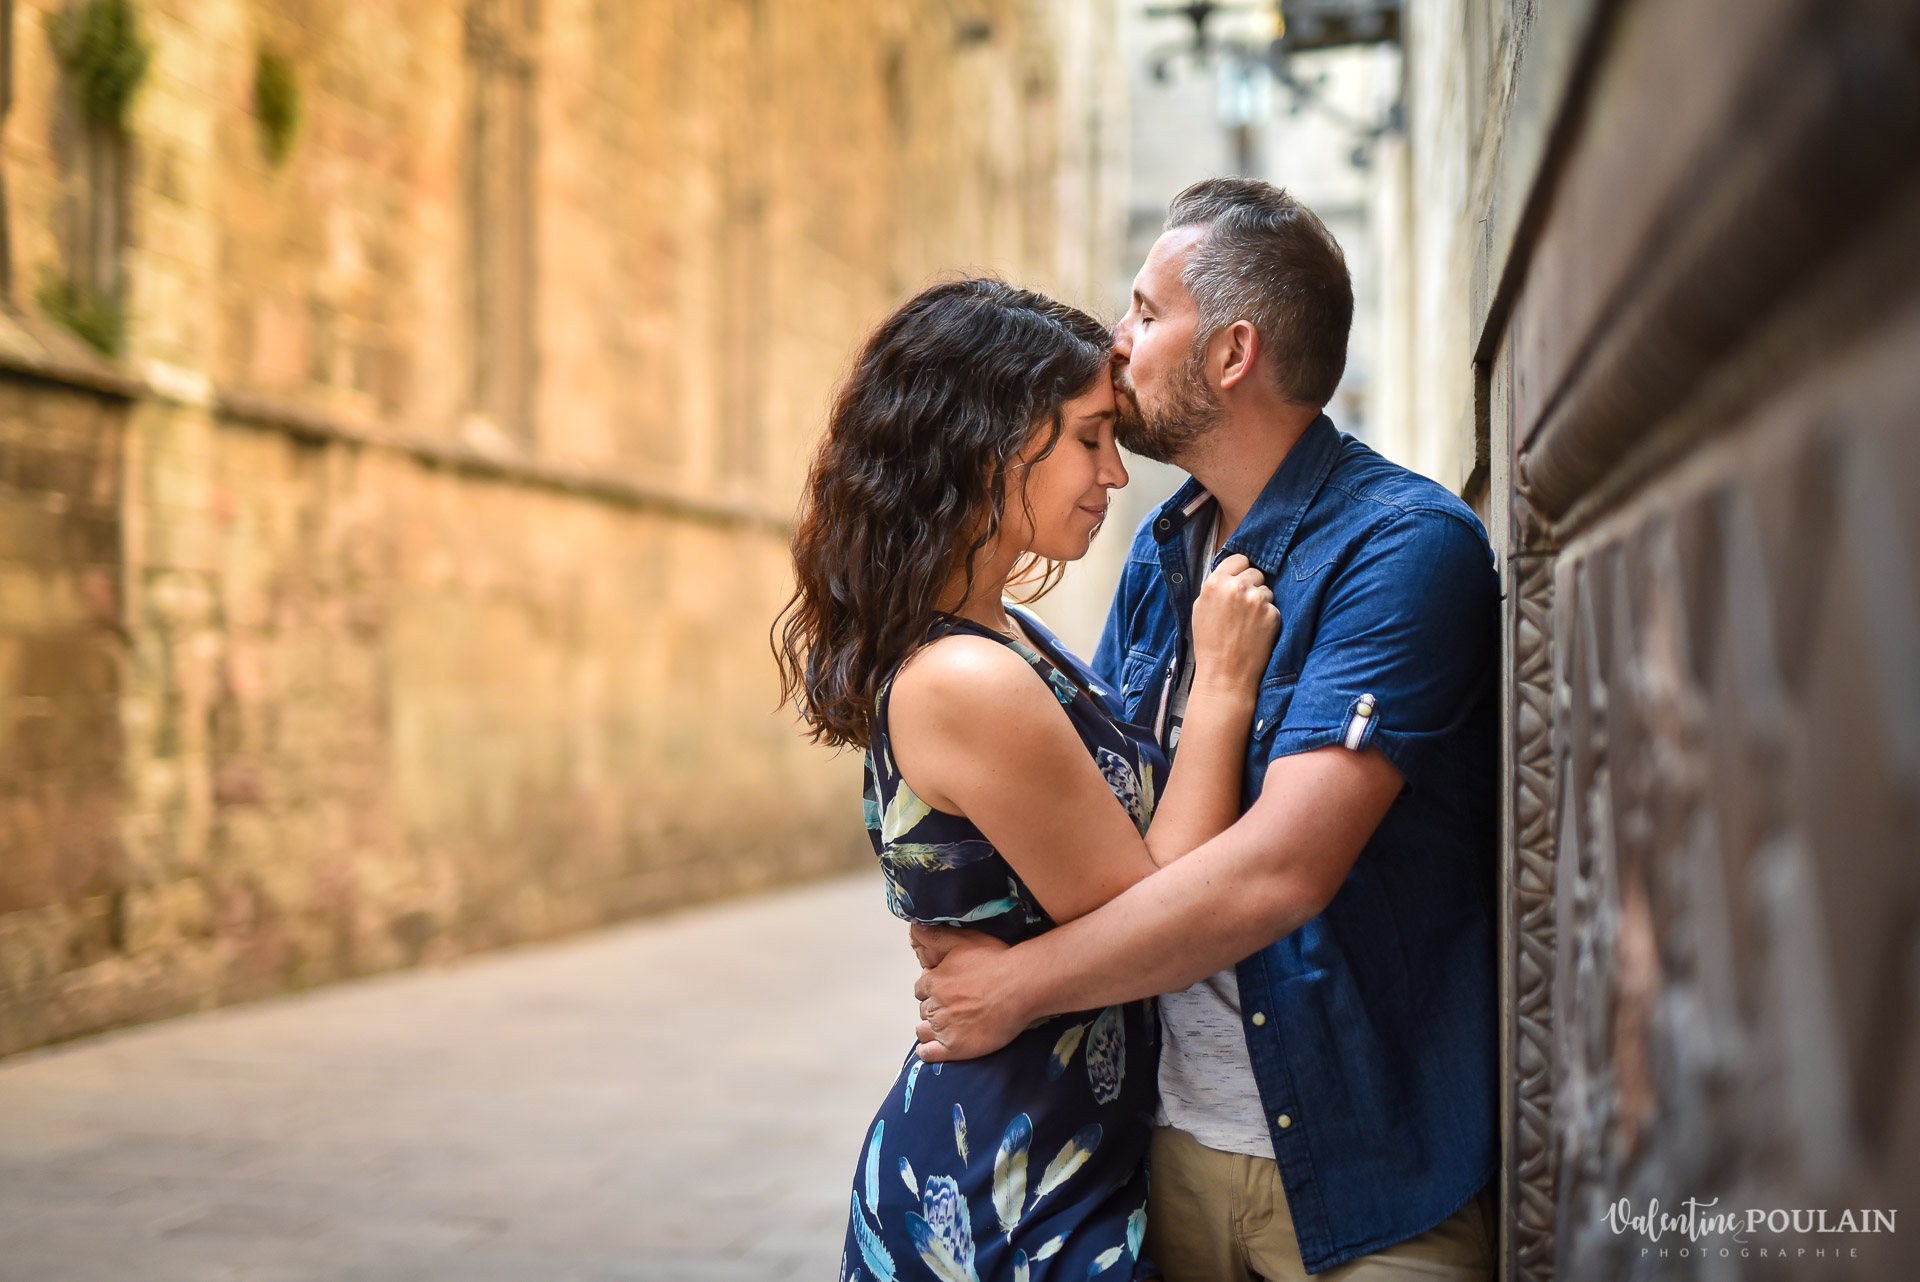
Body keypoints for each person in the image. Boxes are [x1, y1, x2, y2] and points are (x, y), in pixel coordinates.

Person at [908, 179, 1501, 1282]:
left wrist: (1015, 985)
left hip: (1371, 1183)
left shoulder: (1406, 549)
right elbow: (1123, 840)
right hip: (1158, 1162)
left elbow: (1281, 871)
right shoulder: (1160, 555)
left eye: (1144, 310)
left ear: (1231, 353)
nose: (1116, 338)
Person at [776, 278, 1283, 1281]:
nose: (1114, 474)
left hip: (1061, 1154)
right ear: (993, 441)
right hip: (1006, 1187)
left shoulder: (1000, 629)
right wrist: (1222, 682)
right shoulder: (966, 677)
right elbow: (1158, 917)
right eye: (1091, 438)